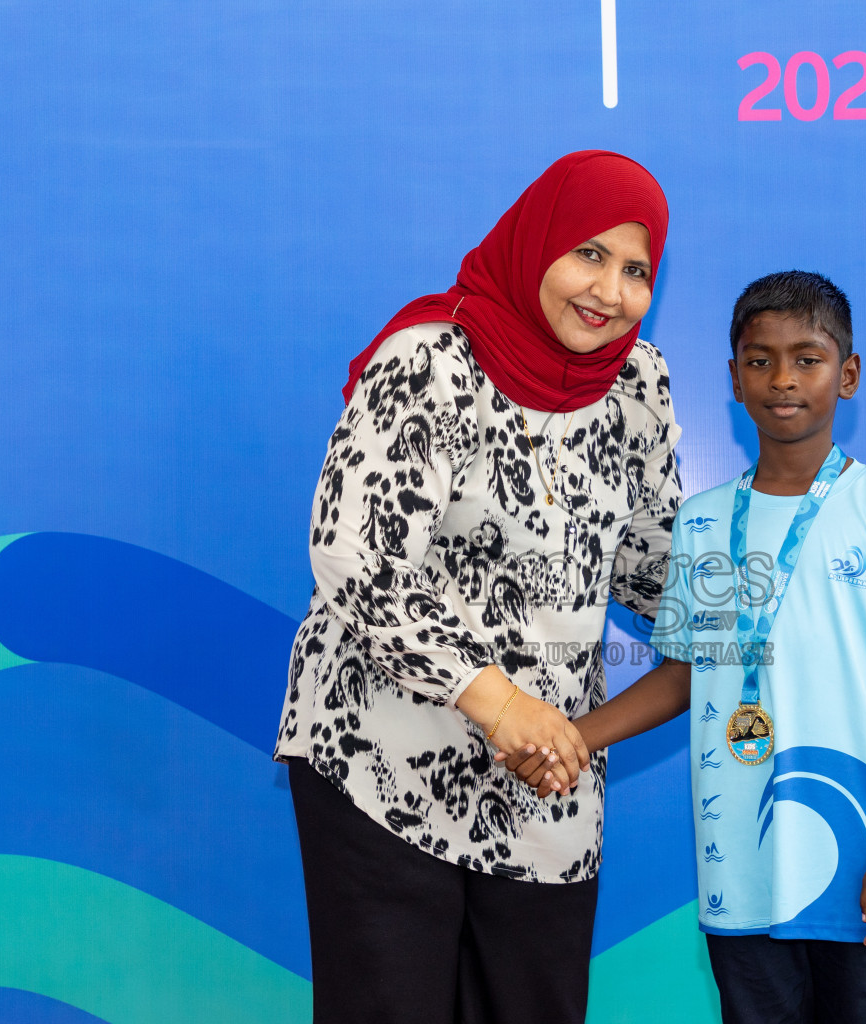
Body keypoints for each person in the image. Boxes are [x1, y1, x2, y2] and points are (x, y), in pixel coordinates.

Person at [274, 150, 680, 1024]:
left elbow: (654, 565)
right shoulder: (430, 360)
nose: (609, 290)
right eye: (589, 254)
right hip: (385, 759)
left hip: (548, 777)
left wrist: (759, 587)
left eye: (637, 270)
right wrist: (496, 701)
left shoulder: (638, 385)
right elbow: (356, 558)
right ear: (537, 245)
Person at [502, 270, 866, 1024]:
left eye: (807, 359)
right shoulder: (705, 522)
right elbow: (687, 672)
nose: (782, 379)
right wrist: (570, 738)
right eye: (759, 360)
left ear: (847, 375)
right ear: (734, 379)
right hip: (737, 866)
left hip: (859, 866)